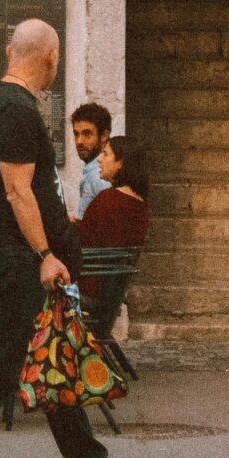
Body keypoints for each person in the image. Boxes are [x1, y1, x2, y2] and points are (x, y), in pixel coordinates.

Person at [0, 19, 153, 458]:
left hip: (13, 256)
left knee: (51, 358)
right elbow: (19, 191)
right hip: (17, 259)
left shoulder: (1, 105)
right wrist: (45, 255)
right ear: (50, 58)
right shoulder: (16, 110)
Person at [76, 133, 148, 343]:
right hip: (109, 293)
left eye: (106, 154)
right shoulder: (139, 203)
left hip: (91, 287)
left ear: (120, 164)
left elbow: (83, 244)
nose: (99, 159)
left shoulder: (109, 200)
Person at [71, 102, 113, 217]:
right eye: (76, 134)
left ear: (104, 135)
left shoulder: (100, 177)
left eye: (87, 134)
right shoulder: (93, 172)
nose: (79, 141)